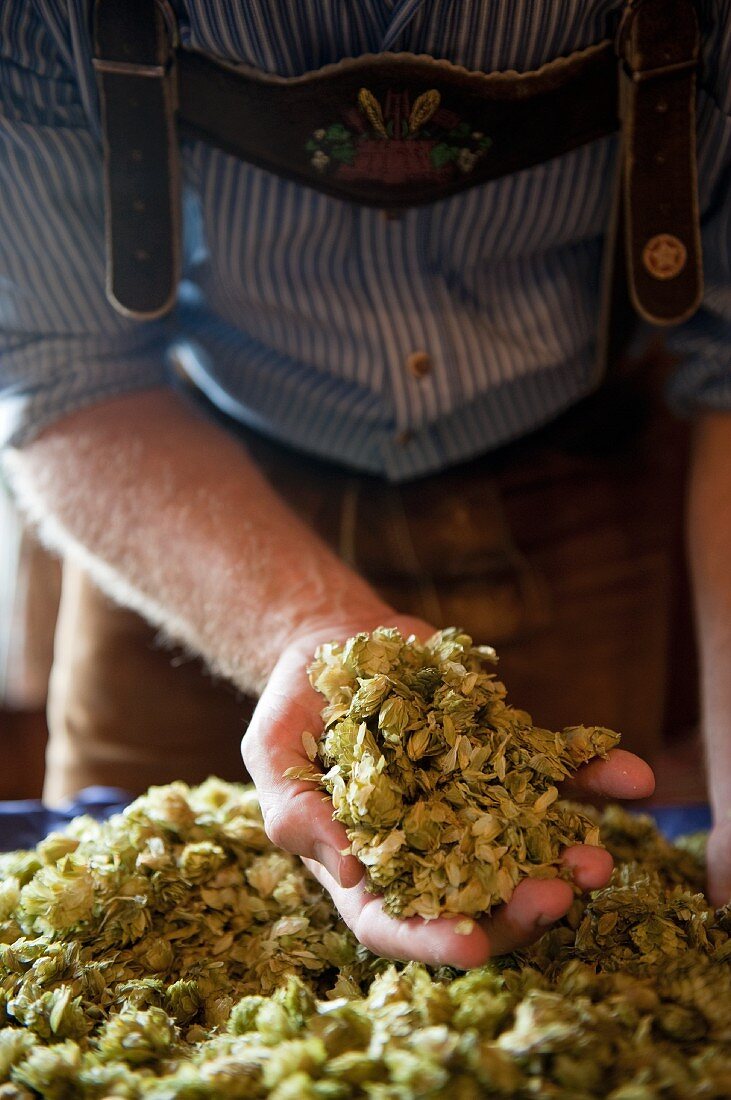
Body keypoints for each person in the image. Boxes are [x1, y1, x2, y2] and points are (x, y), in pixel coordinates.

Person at [1, 1, 728, 968]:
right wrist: (302, 622)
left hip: (571, 480)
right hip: (187, 501)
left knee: (566, 927)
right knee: (120, 913)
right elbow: (61, 371)